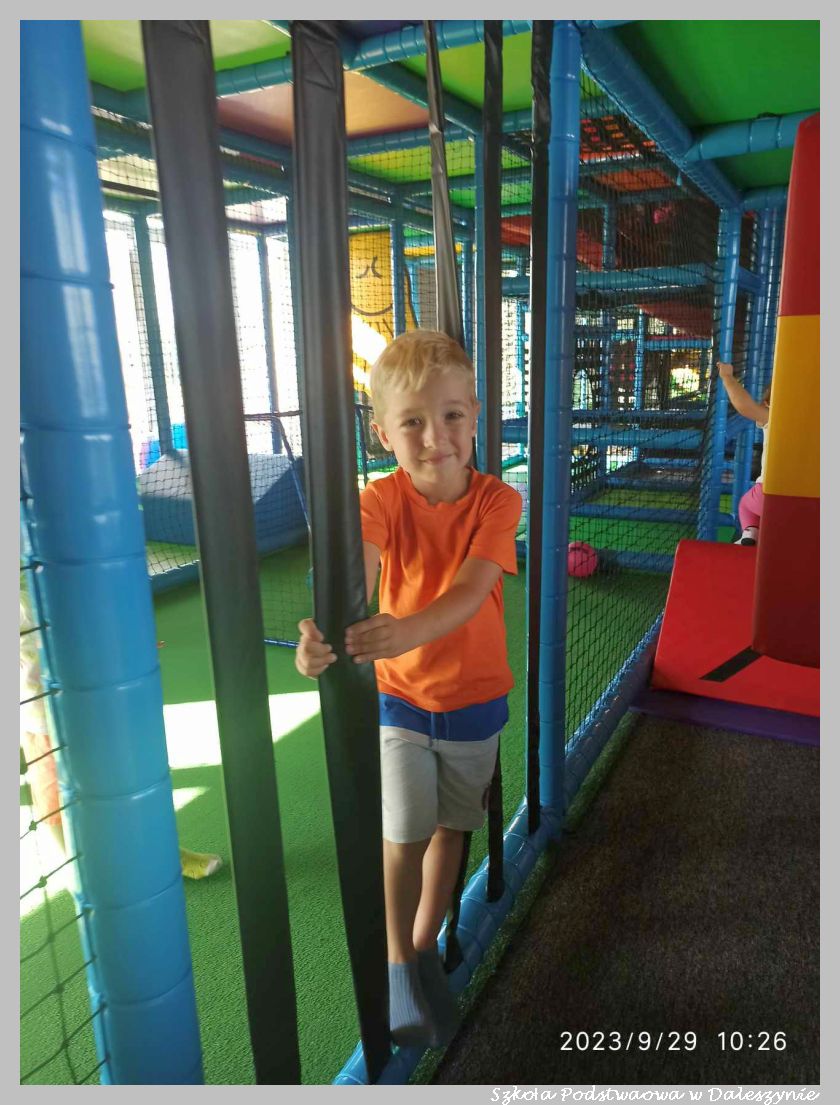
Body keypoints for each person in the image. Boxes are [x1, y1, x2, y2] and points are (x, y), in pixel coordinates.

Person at [296, 329, 522, 1049]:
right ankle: (398, 959)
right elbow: (354, 579)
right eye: (413, 422)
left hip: (476, 700)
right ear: (383, 432)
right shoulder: (379, 500)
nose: (435, 438)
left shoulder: (497, 501)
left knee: (454, 827)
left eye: (451, 415)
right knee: (406, 833)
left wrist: (405, 630)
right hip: (401, 699)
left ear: (476, 415)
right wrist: (323, 635)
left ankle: (423, 942)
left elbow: (470, 592)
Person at [20, 584, 222, 880]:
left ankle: (162, 854)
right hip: (39, 712)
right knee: (55, 794)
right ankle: (80, 870)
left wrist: (123, 641)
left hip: (90, 697)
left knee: (122, 778)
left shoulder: (39, 572)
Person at [717, 361, 771, 546]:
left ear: (767, 404)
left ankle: (750, 531)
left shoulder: (774, 416)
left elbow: (744, 406)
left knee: (746, 504)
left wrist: (727, 377)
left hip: (770, 493)